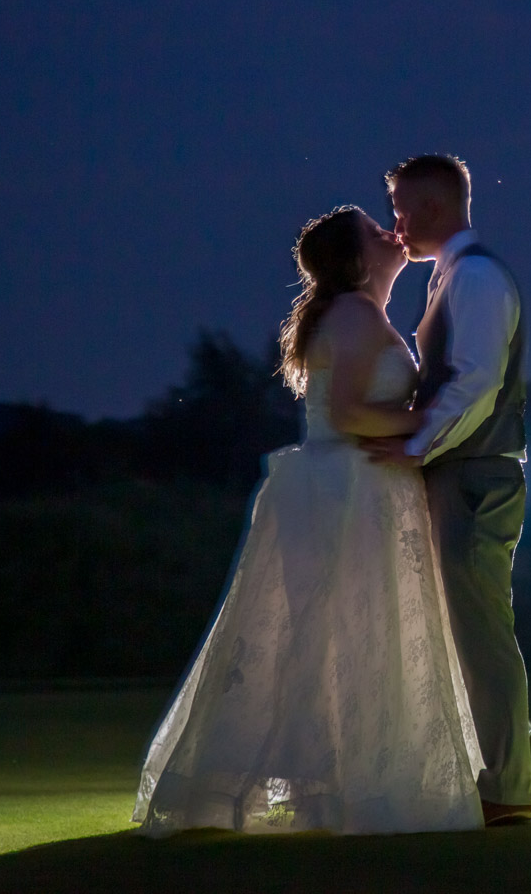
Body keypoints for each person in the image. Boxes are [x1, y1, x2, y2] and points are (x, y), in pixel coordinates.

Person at [132, 205, 484, 836]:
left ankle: (345, 786)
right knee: (345, 631)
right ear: (354, 259)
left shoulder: (359, 313)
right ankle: (349, 789)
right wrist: (437, 422)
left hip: (350, 486)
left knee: (348, 635)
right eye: (377, 232)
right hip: (345, 489)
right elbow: (349, 414)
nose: (391, 233)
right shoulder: (352, 312)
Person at [364, 154, 531, 826]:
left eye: (402, 209)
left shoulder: (478, 276)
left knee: (482, 635)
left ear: (433, 207)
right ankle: (491, 782)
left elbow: (476, 382)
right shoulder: (454, 275)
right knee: (468, 632)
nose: (396, 224)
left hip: (477, 477)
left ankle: (506, 792)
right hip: (463, 475)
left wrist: (414, 446)